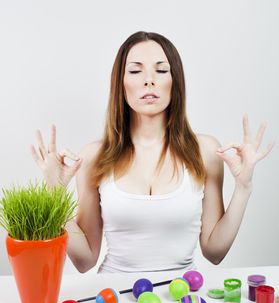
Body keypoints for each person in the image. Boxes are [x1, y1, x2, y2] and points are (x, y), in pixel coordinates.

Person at [31, 31, 274, 273]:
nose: (149, 80)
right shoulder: (95, 156)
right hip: (112, 298)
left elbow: (215, 252)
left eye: (161, 70)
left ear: (174, 81)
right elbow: (85, 261)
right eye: (136, 71)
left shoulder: (206, 151)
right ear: (121, 84)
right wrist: (55, 192)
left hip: (183, 300)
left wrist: (243, 187)